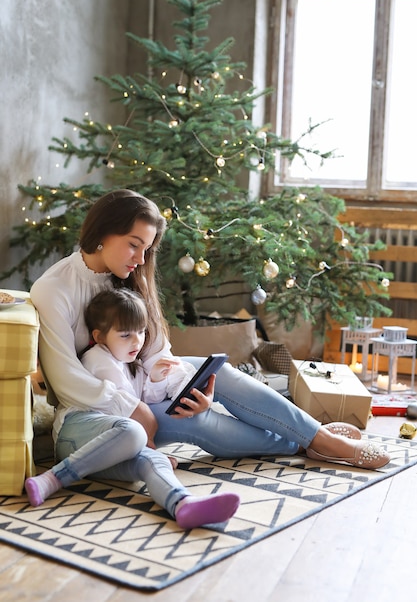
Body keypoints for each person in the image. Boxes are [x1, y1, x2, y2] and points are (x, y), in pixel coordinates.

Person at [26, 189, 390, 519]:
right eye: (133, 244)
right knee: (193, 422)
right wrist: (133, 408)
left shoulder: (130, 276)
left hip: (139, 390)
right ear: (103, 233)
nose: (140, 259)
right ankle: (310, 439)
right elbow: (64, 379)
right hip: (99, 413)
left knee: (220, 375)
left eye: (146, 249)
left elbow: (155, 353)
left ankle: (315, 438)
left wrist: (186, 386)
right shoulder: (53, 289)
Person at [81, 286, 196, 464]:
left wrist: (156, 379)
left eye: (141, 331)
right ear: (100, 337)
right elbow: (132, 411)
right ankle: (149, 458)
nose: (137, 341)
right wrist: (151, 448)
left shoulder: (127, 359)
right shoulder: (99, 359)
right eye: (126, 335)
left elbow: (146, 399)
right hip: (103, 434)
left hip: (128, 429)